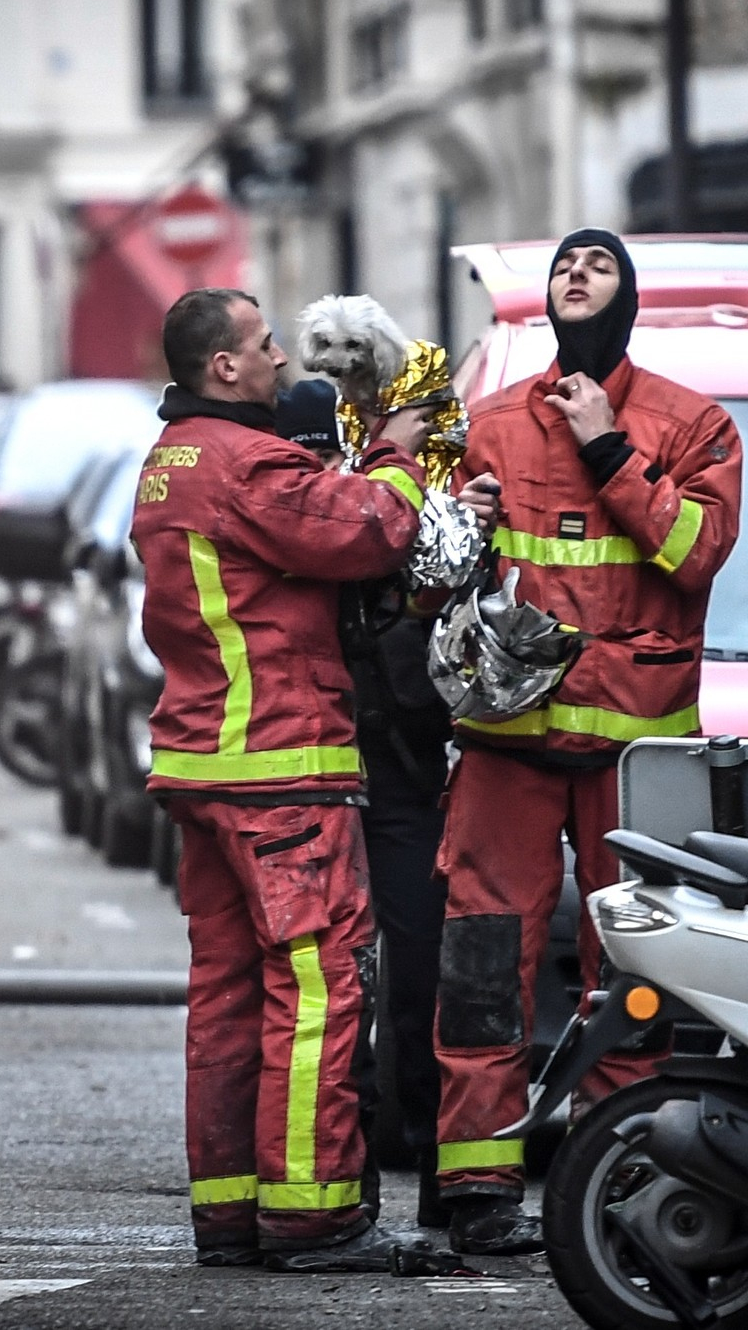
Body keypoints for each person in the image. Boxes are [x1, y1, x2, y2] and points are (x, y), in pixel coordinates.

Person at [432, 229, 745, 1253]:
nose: (577, 275)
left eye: (598, 264)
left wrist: (611, 447)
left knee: (636, 964)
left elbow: (696, 551)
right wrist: (457, 520)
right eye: (567, 262)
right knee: (483, 956)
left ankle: (625, 1172)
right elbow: (439, 572)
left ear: (628, 295)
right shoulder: (489, 426)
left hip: (633, 750)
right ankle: (477, 1187)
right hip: (510, 737)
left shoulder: (692, 425)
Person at [132, 288, 429, 1273]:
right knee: (317, 986)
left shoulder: (170, 462)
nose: (280, 362)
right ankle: (312, 1215)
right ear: (223, 365)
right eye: (265, 346)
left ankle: (228, 1211)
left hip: (201, 761)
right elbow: (369, 532)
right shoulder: (245, 461)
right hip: (280, 766)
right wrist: (396, 451)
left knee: (225, 994)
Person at [275, 378, 456, 1231]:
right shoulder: (306, 509)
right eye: (301, 452)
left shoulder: (379, 501)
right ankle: (341, 1188)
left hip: (397, 774)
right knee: (333, 988)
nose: (313, 467)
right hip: (316, 774)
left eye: (323, 451)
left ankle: (428, 1171)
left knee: (419, 979)